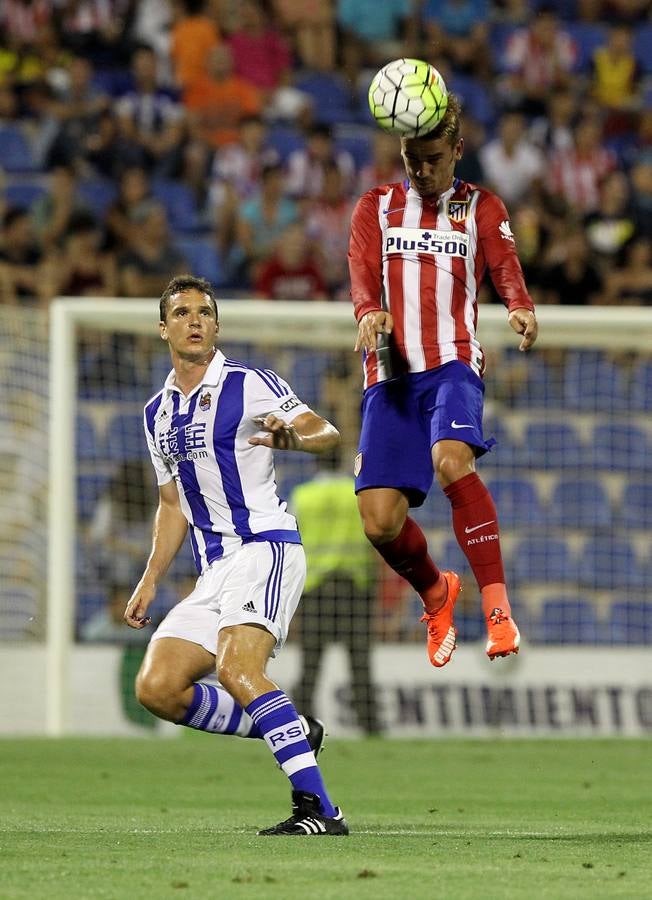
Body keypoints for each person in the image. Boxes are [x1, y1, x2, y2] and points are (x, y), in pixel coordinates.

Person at [124, 274, 348, 836]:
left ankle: (321, 808)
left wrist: (292, 436)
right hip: (214, 569)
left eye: (204, 311)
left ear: (217, 325)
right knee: (157, 687)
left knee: (237, 669)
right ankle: (294, 729)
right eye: (181, 313)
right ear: (163, 329)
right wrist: (151, 578)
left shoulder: (250, 383)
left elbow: (327, 432)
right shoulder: (156, 412)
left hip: (265, 547)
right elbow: (172, 502)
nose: (194, 320)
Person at [348, 92, 538, 669]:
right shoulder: (376, 206)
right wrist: (366, 312)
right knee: (380, 522)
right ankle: (437, 592)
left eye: (433, 158)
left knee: (453, 459)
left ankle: (499, 609)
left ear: (456, 150)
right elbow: (360, 268)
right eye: (412, 160)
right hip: (390, 373)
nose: (423, 170)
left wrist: (519, 306)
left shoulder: (483, 207)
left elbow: (505, 267)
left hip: (453, 360)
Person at [291, 446, 381, 735]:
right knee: (360, 663)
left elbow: (292, 542)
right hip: (354, 587)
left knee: (310, 664)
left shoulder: (302, 496)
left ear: (316, 462)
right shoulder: (356, 494)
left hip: (315, 590)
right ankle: (370, 726)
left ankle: (301, 726)